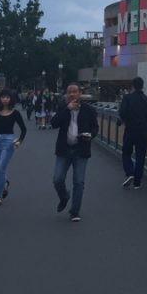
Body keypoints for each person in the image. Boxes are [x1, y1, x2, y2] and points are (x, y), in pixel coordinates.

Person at [50, 83, 99, 222]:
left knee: (79, 182)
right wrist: (67, 109)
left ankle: (75, 211)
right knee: (57, 179)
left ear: (80, 93)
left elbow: (95, 127)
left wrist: (91, 135)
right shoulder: (62, 107)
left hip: (81, 149)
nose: (72, 94)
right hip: (64, 150)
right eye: (69, 92)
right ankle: (64, 197)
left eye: (74, 92)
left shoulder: (88, 110)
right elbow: (53, 123)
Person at [118, 77, 147, 189]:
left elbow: (122, 112)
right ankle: (137, 182)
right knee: (140, 157)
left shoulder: (127, 98)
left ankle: (130, 173)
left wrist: (121, 120)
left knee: (126, 153)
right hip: (142, 132)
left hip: (130, 131)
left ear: (133, 86)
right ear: (142, 86)